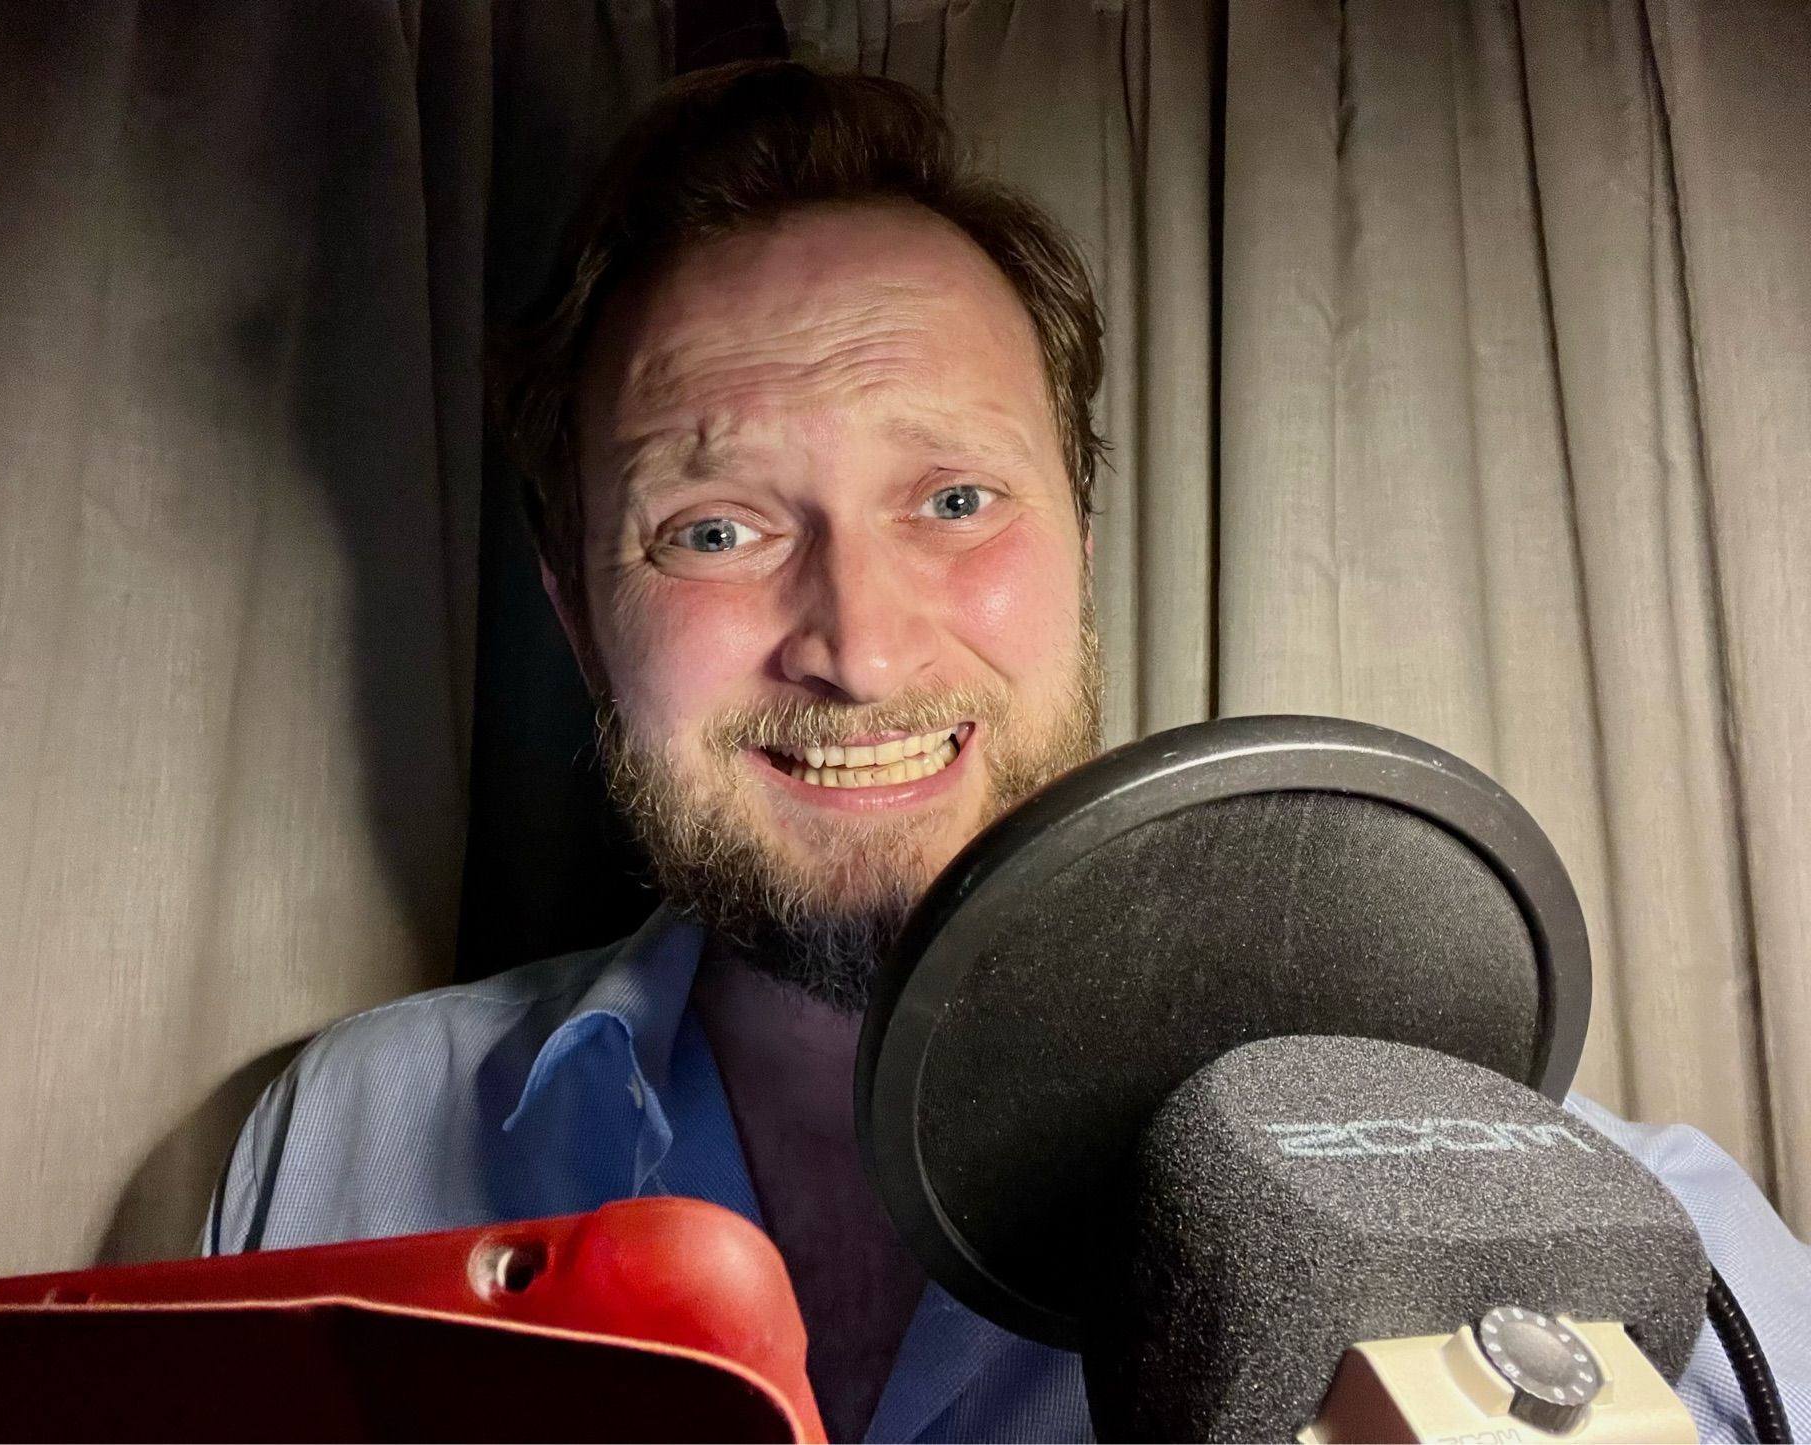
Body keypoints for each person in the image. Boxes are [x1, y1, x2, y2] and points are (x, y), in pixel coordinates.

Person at [207, 61, 1810, 1443]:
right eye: (713, 526)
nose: (865, 647)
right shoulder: (346, 1147)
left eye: (957, 499)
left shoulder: (1630, 1239)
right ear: (576, 620)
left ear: (1082, 539)